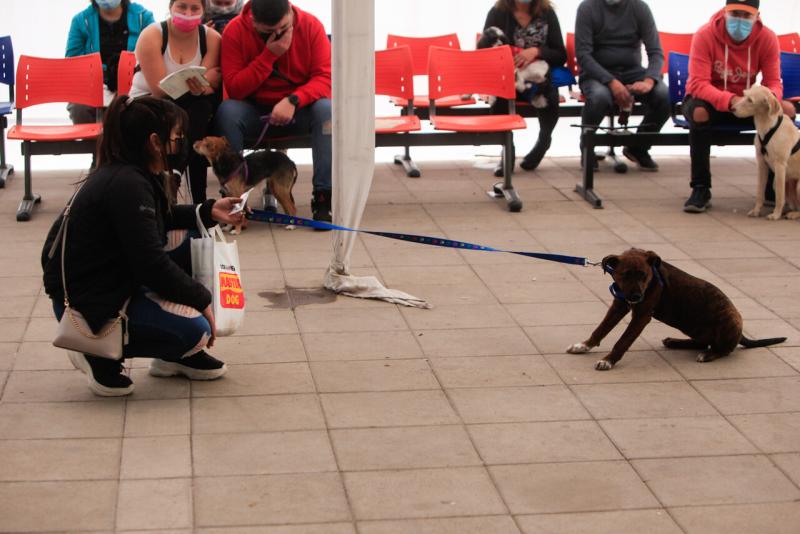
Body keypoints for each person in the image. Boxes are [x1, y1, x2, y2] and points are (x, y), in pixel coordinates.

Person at [41, 96, 243, 397]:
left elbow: (155, 223)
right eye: (177, 137)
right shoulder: (128, 185)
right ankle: (95, 351)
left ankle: (171, 354)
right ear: (154, 142)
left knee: (195, 237)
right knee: (196, 329)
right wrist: (202, 300)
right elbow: (150, 263)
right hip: (87, 307)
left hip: (108, 284)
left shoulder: (128, 172)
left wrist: (208, 210)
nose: (182, 144)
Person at [212, 0, 333, 223]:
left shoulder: (310, 25)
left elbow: (325, 78)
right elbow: (235, 87)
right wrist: (269, 55)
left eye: (284, 28)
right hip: (256, 110)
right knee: (227, 111)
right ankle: (232, 195)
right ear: (252, 20)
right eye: (269, 31)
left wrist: (294, 100)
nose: (278, 35)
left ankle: (324, 195)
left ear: (290, 11)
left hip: (298, 108)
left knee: (327, 110)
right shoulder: (235, 30)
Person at [683, 0, 796, 213]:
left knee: (787, 111)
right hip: (709, 101)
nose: (740, 21)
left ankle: (774, 187)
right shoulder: (705, 35)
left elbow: (774, 81)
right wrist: (729, 100)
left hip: (747, 104)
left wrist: (770, 98)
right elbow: (698, 83)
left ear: (756, 15)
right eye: (735, 14)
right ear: (725, 11)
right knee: (699, 113)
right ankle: (700, 188)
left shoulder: (767, 38)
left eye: (746, 16)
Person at [129, 0, 222, 203]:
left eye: (194, 8)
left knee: (200, 109)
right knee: (195, 113)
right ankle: (191, 196)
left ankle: (175, 177)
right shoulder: (152, 35)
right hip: (148, 103)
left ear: (203, 11)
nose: (188, 13)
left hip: (190, 106)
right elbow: (160, 90)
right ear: (170, 7)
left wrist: (203, 86)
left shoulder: (212, 38)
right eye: (182, 6)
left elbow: (205, 87)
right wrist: (203, 85)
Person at [575, 0, 670, 171]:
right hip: (596, 74)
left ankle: (638, 147)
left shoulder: (640, 7)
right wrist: (611, 82)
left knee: (663, 95)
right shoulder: (587, 8)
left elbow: (656, 53)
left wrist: (649, 80)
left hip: (633, 71)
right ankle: (587, 147)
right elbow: (583, 56)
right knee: (599, 97)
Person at [484, 0, 568, 177]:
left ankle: (543, 142)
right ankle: (508, 152)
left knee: (550, 98)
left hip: (538, 76)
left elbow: (560, 54)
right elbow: (485, 51)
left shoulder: (547, 13)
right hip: (508, 76)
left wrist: (537, 52)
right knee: (499, 99)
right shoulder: (497, 13)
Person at [65, 0, 155, 124]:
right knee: (78, 108)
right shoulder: (80, 20)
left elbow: (154, 54)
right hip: (94, 85)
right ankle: (91, 142)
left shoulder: (143, 17)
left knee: (147, 107)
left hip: (135, 85)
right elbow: (73, 62)